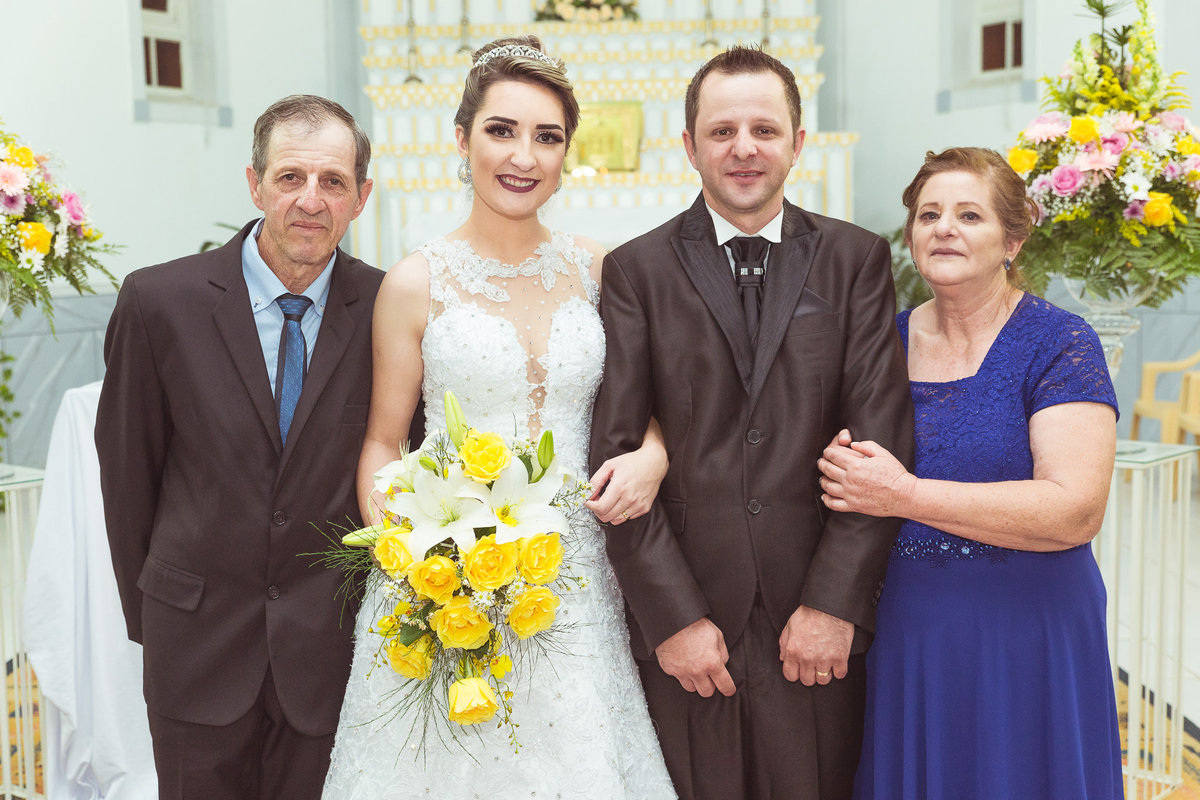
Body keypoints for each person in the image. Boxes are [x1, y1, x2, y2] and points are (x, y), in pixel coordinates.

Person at [320, 36, 677, 799]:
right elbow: (385, 441)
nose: (524, 156)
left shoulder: (601, 268)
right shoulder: (416, 283)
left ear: (566, 153)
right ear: (462, 138)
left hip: (580, 578)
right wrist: (419, 570)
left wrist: (653, 455)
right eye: (502, 130)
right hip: (452, 577)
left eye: (547, 137)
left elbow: (654, 406)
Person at [589, 46, 914, 800]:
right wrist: (670, 618)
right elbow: (613, 455)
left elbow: (880, 442)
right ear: (689, 146)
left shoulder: (854, 260)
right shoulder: (636, 272)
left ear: (798, 143)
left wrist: (835, 602)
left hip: (815, 615)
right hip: (691, 613)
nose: (743, 149)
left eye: (765, 130)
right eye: (722, 130)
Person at [95, 95, 380, 799]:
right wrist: (160, 619)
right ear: (254, 183)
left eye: (333, 182)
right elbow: (128, 476)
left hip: (330, 649)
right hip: (195, 645)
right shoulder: (158, 302)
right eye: (290, 178)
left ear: (361, 197)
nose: (310, 201)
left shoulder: (388, 308)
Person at [818, 146, 1123, 800]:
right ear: (910, 238)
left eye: (968, 215)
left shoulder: (1061, 344)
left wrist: (903, 494)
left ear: (1013, 239)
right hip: (913, 629)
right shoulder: (880, 345)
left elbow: (1075, 510)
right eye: (928, 215)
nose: (943, 228)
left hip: (1030, 629)